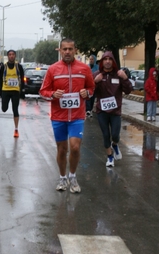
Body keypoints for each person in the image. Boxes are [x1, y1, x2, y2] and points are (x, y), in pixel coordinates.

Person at [39, 38, 95, 193]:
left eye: (71, 49)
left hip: (77, 116)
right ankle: (62, 178)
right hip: (59, 116)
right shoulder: (53, 69)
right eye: (65, 49)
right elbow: (43, 91)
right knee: (62, 149)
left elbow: (91, 88)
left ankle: (73, 176)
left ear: (75, 50)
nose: (68, 52)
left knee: (75, 148)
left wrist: (87, 93)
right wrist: (53, 94)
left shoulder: (84, 69)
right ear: (60, 51)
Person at [93, 51, 133, 168]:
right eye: (105, 59)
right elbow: (90, 92)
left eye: (109, 59)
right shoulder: (97, 74)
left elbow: (128, 90)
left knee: (115, 135)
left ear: (113, 61)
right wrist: (95, 82)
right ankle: (110, 157)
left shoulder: (119, 74)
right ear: (102, 62)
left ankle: (115, 144)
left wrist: (125, 79)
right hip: (102, 111)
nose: (107, 61)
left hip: (115, 111)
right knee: (106, 135)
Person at [0, 50, 25, 138]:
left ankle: (16, 129)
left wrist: (22, 90)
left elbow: (22, 78)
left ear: (15, 56)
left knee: (15, 109)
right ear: (8, 56)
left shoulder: (19, 66)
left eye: (13, 55)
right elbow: (0, 80)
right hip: (5, 90)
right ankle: (4, 106)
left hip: (15, 91)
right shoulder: (3, 67)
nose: (11, 56)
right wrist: (0, 91)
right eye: (10, 55)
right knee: (4, 109)